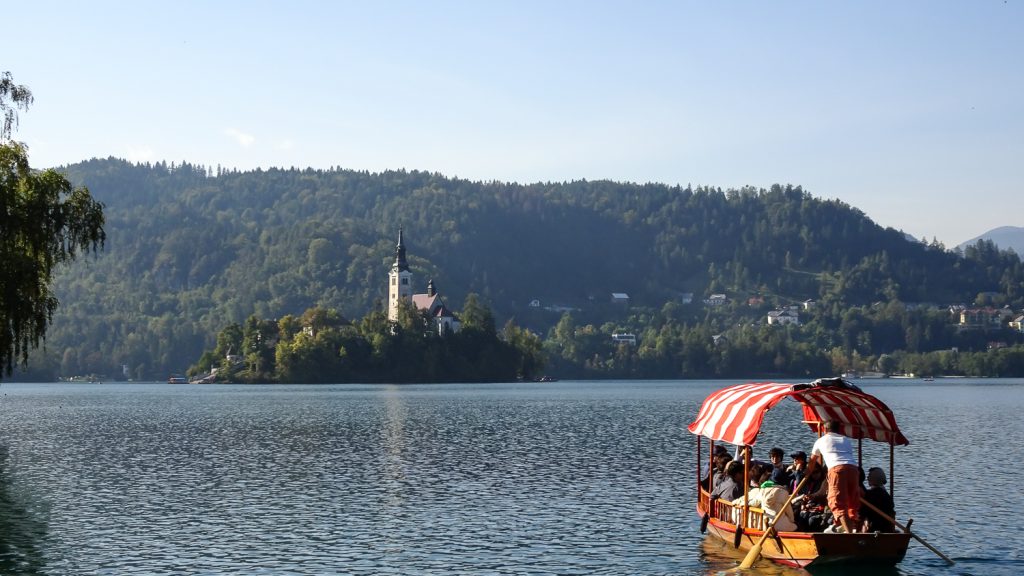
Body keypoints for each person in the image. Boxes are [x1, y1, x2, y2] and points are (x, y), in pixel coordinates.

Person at [811, 420, 860, 533]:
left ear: (824, 430)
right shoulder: (845, 440)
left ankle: (849, 535)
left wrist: (807, 473)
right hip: (853, 470)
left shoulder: (821, 440)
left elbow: (812, 460)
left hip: (837, 470)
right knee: (852, 502)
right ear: (839, 430)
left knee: (836, 502)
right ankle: (851, 529)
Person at [861, 467, 896, 532]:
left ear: (873, 479)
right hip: (887, 528)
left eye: (869, 476)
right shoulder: (887, 495)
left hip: (874, 528)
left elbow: (862, 512)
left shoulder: (870, 494)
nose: (867, 478)